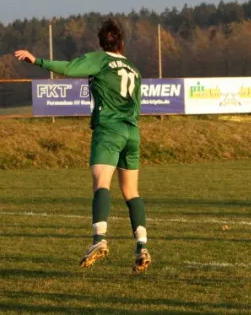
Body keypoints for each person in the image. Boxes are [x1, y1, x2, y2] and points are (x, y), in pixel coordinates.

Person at [14, 19, 151, 275]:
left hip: (109, 129)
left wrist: (38, 61)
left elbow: (68, 68)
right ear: (121, 43)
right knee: (131, 191)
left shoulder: (100, 59)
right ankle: (142, 245)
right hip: (132, 131)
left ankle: (99, 239)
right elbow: (137, 104)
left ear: (102, 43)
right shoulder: (133, 68)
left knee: (101, 183)